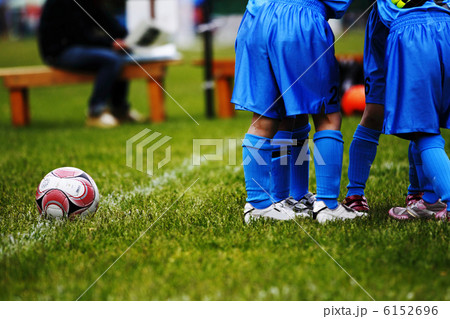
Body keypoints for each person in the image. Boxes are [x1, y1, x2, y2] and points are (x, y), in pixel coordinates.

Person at [232, 0, 367, 223]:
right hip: (299, 17)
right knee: (327, 116)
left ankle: (268, 203)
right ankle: (328, 206)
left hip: (255, 18)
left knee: (271, 115)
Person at [343, 1, 426, 215]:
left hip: (425, 26)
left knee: (423, 115)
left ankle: (419, 194)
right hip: (386, 26)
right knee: (374, 113)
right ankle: (354, 193)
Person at [377, 0, 450, 220]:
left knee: (423, 130)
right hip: (447, 25)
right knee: (431, 121)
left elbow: (386, 12)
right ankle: (429, 201)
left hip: (412, 33)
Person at [38, 0, 141, 128]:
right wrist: (111, 44)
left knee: (119, 55)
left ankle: (119, 110)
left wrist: (128, 39)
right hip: (59, 51)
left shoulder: (90, 2)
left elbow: (110, 24)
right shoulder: (62, 3)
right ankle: (96, 112)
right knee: (110, 59)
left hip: (79, 46)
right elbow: (79, 37)